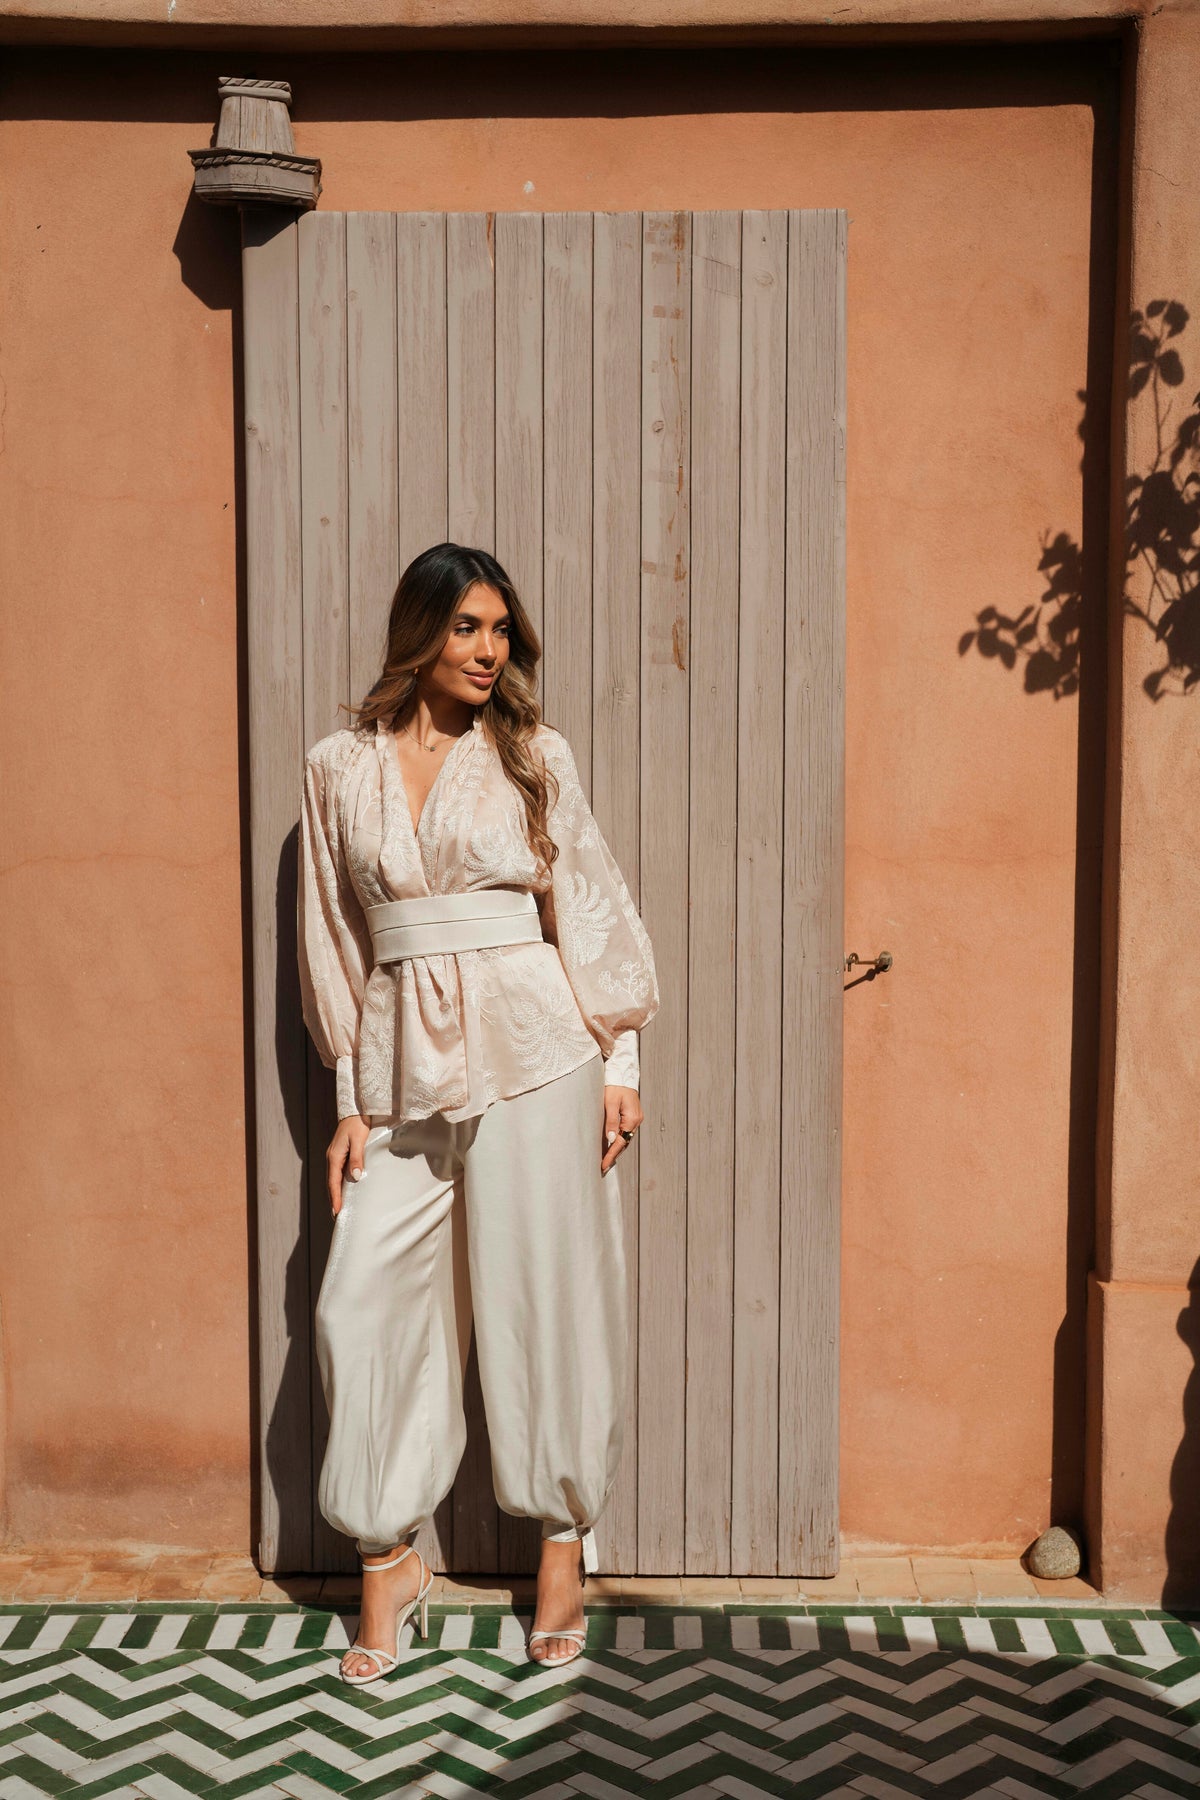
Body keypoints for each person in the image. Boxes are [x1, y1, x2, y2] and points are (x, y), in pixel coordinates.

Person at [297, 541, 660, 1681]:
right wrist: (350, 1095)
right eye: (466, 627)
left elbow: (587, 904)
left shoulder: (533, 755)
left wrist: (621, 1057)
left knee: (544, 1295)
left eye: (502, 630)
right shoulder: (338, 768)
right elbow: (334, 940)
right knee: (362, 1302)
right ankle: (388, 1558)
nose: (489, 650)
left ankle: (561, 1549)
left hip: (537, 1048)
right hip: (399, 1062)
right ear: (419, 633)